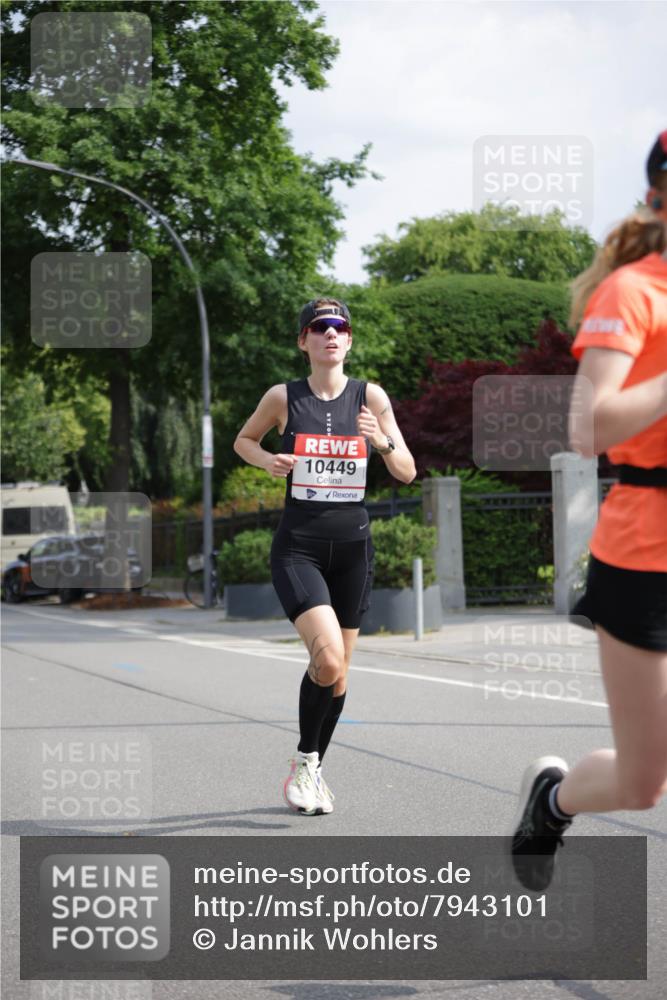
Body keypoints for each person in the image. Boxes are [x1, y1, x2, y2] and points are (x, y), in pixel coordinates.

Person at [511, 131, 667, 891]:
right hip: (647, 552)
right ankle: (552, 801)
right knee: (644, 783)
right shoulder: (633, 291)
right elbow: (589, 426)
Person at [233, 298, 417, 815]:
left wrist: (380, 441)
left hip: (354, 550)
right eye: (320, 327)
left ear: (350, 340)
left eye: (340, 327)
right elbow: (243, 440)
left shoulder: (371, 397)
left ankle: (311, 769)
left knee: (337, 676)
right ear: (304, 341)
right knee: (327, 659)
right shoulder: (283, 397)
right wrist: (269, 459)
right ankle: (304, 763)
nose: (330, 334)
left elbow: (406, 471)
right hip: (300, 548)